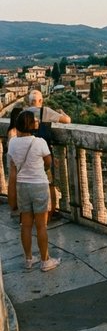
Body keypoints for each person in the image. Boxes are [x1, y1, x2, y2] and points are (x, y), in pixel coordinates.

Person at [6, 111, 61, 271]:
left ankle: (29, 259)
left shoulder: (13, 143)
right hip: (38, 184)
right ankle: (45, 261)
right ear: (31, 125)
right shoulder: (40, 142)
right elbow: (48, 163)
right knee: (41, 226)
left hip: (22, 186)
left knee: (26, 225)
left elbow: (13, 163)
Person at [23, 90, 70, 219]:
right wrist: (62, 113)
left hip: (26, 155)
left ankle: (31, 212)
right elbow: (67, 120)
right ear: (41, 101)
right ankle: (51, 212)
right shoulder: (46, 111)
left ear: (29, 101)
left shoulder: (23, 114)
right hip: (44, 154)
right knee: (50, 184)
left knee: (30, 183)